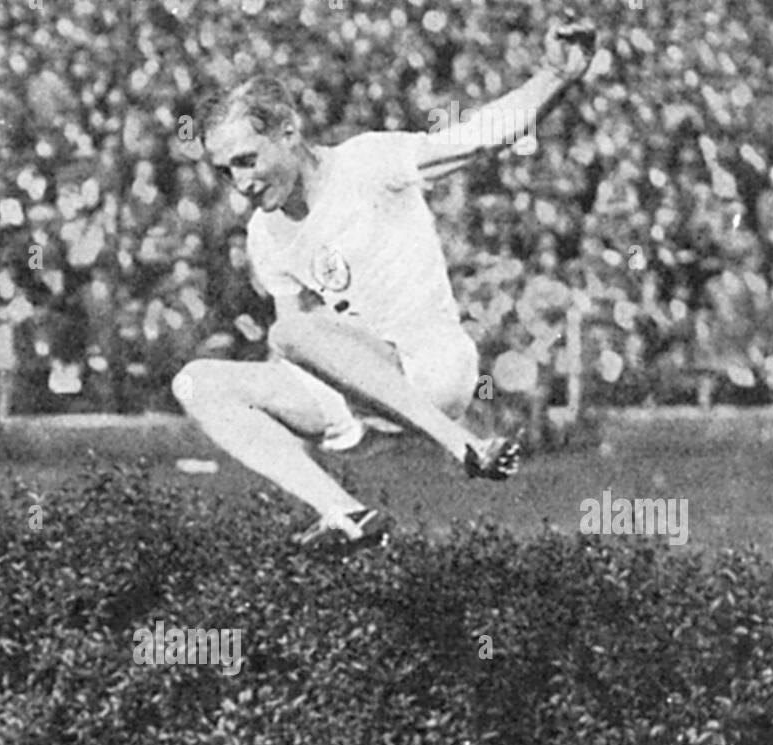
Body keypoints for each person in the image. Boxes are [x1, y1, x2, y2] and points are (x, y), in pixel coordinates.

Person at [173, 19, 598, 550]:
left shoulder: (365, 163)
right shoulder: (265, 234)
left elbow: (479, 140)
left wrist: (554, 77)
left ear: (288, 132)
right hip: (361, 396)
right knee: (197, 382)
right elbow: (299, 355)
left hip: (432, 368)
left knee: (291, 336)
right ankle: (347, 515)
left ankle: (464, 446)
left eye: (246, 160)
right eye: (225, 171)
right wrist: (268, 424)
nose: (241, 183)